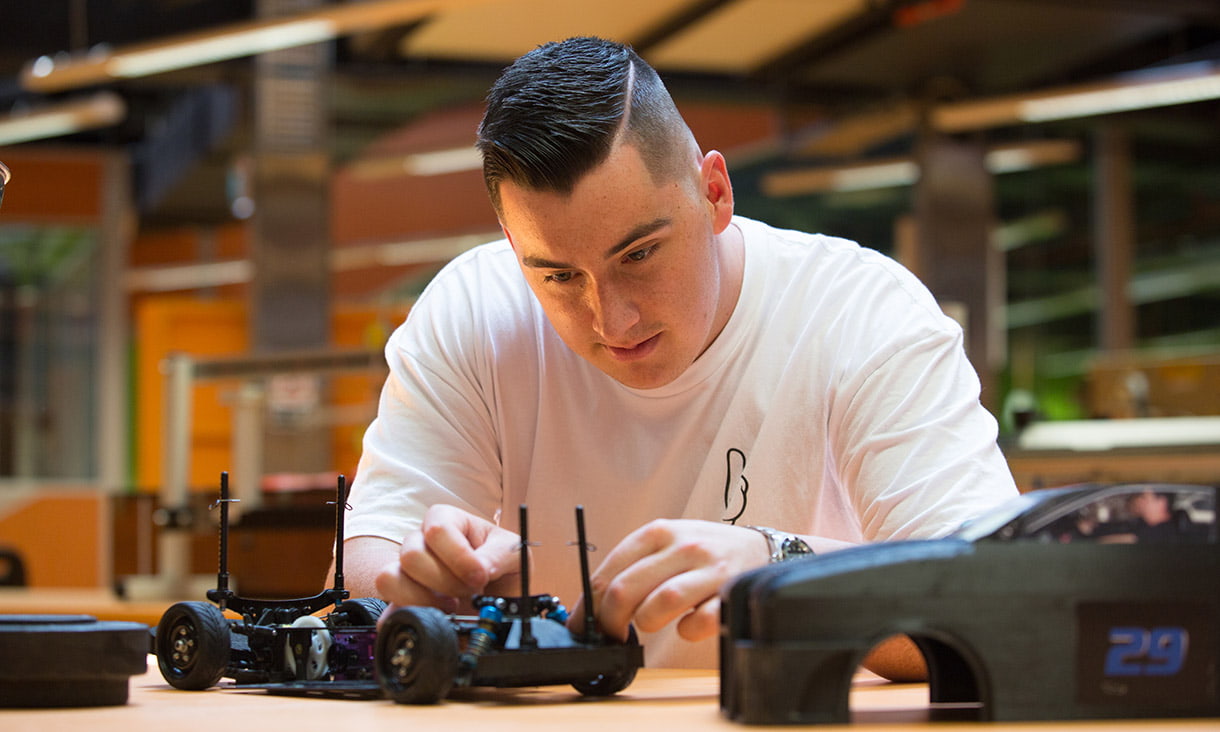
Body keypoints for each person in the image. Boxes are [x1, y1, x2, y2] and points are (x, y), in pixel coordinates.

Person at [336, 36, 1018, 677]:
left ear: (714, 193)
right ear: (514, 248)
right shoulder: (475, 309)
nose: (612, 320)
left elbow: (1000, 615)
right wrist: (434, 589)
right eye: (560, 276)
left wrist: (780, 569)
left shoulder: (861, 312)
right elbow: (366, 568)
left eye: (639, 255)